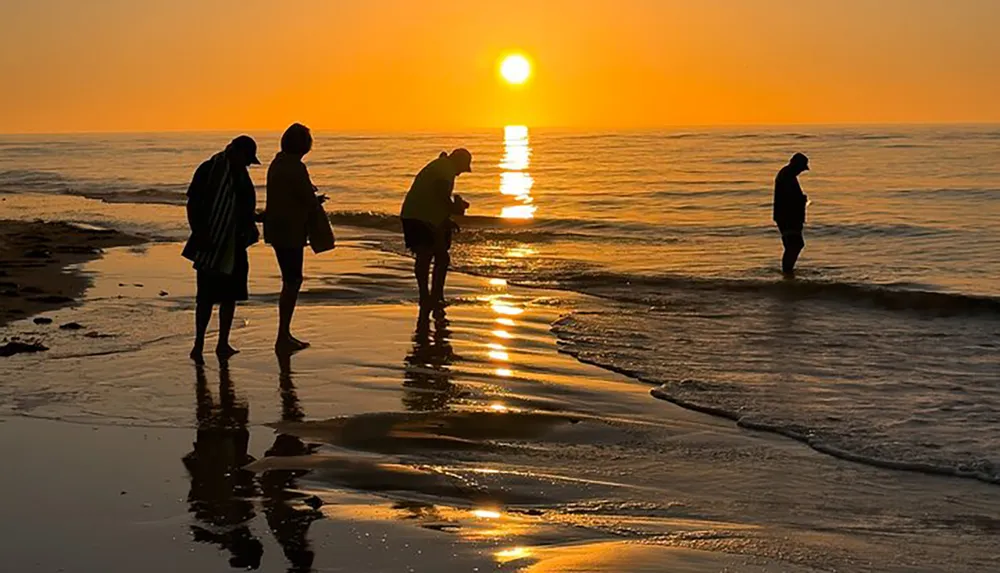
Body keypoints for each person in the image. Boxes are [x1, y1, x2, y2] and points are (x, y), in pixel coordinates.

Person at [182, 135, 260, 364]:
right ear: (236, 152)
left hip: (235, 243)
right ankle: (198, 345)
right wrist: (200, 232)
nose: (247, 165)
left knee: (230, 296)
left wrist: (256, 220)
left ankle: (222, 342)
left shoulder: (241, 174)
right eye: (247, 159)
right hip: (211, 243)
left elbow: (243, 209)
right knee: (205, 298)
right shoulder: (208, 170)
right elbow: (192, 204)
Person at [264, 123, 328, 353]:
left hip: (278, 229)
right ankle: (283, 335)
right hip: (289, 231)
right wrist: (316, 202)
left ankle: (284, 334)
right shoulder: (295, 167)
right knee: (292, 281)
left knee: (290, 280)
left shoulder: (277, 163)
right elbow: (306, 200)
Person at [399, 149, 472, 316]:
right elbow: (441, 196)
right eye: (463, 168)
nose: (461, 173)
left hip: (420, 215)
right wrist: (456, 208)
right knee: (427, 256)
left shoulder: (442, 166)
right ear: (458, 162)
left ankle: (432, 296)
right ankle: (428, 297)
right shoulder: (445, 170)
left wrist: (446, 219)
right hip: (419, 217)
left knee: (438, 256)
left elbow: (434, 198)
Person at [773, 152, 810, 275]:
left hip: (788, 216)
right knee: (794, 245)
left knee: (794, 245)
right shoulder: (787, 175)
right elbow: (790, 198)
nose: (801, 171)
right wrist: (801, 200)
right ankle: (787, 271)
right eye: (801, 168)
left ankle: (788, 270)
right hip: (788, 217)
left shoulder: (787, 174)